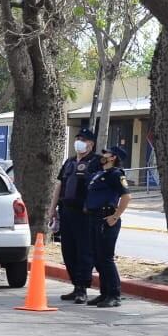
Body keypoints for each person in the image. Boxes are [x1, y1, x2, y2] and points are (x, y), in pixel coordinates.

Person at [56, 128, 100, 303]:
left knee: (84, 251)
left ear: (91, 143)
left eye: (83, 139)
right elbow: (59, 185)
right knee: (68, 250)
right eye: (78, 138)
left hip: (85, 213)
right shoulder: (69, 162)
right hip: (66, 210)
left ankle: (82, 288)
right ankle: (75, 285)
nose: (79, 142)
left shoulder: (96, 162)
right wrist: (53, 210)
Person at [85, 145, 132, 308]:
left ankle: (114, 294)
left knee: (106, 258)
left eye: (106, 153)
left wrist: (115, 216)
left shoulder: (116, 174)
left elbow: (126, 196)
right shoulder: (99, 174)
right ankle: (104, 293)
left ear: (113, 157)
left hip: (107, 218)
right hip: (94, 217)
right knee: (97, 258)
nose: (102, 155)